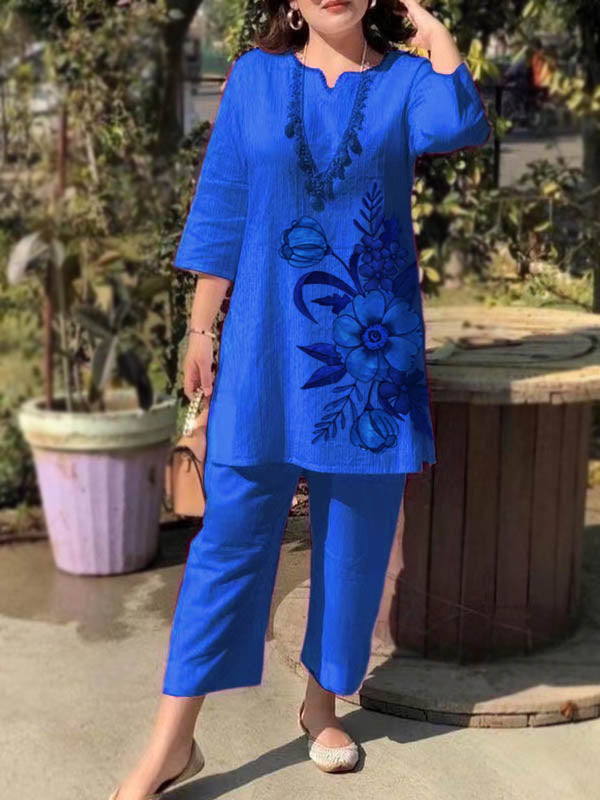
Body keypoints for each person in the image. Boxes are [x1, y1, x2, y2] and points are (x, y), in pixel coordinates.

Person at [108, 1, 491, 797]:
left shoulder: (406, 83)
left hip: (368, 358)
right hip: (264, 351)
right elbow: (224, 202)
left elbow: (459, 122)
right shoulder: (255, 78)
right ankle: (171, 742)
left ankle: (322, 706)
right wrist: (201, 328)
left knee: (353, 542)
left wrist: (428, 27)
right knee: (228, 540)